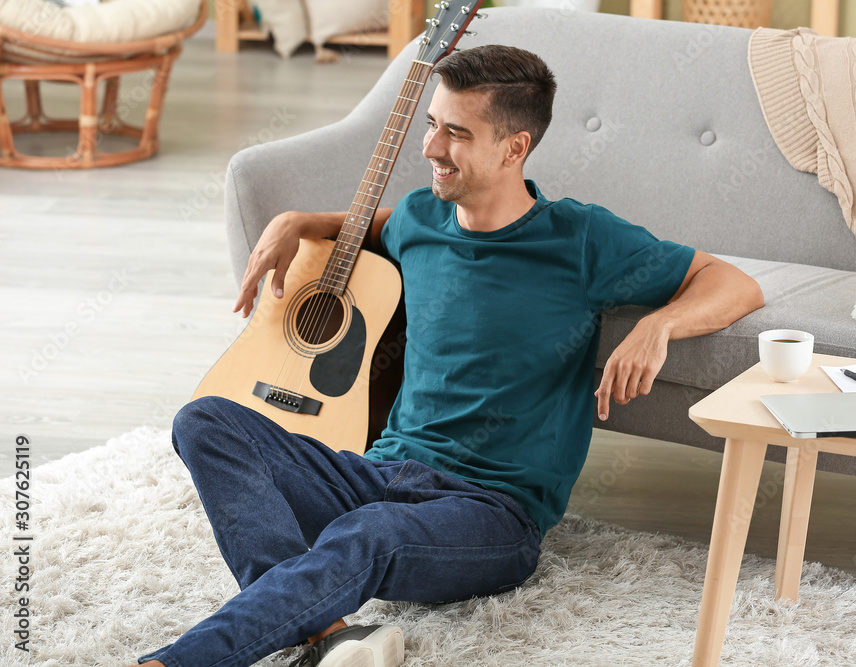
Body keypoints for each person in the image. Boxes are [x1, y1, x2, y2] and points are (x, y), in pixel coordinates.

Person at [131, 44, 764, 667]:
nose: (432, 148)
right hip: (378, 475)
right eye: (433, 124)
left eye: (456, 133)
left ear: (514, 147)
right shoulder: (420, 217)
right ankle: (326, 630)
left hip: (490, 513)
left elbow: (734, 283)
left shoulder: (581, 239)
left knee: (365, 536)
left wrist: (660, 324)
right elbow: (370, 226)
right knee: (205, 420)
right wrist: (300, 220)